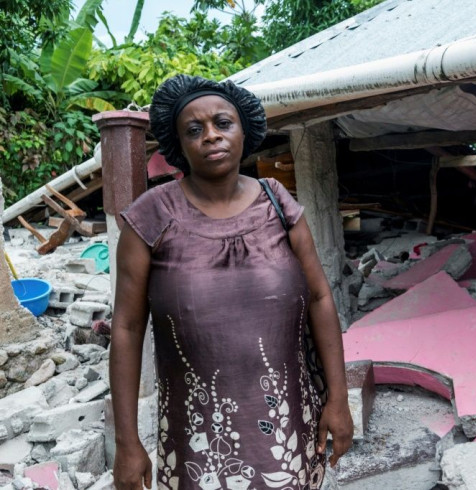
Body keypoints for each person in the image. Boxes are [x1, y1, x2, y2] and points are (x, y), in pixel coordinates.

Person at [110, 74, 353, 490]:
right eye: (194, 130)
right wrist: (127, 443)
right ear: (179, 145)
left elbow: (319, 297)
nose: (210, 136)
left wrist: (339, 398)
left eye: (223, 123)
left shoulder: (278, 202)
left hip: (287, 430)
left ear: (244, 130)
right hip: (198, 441)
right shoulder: (150, 217)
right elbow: (128, 329)